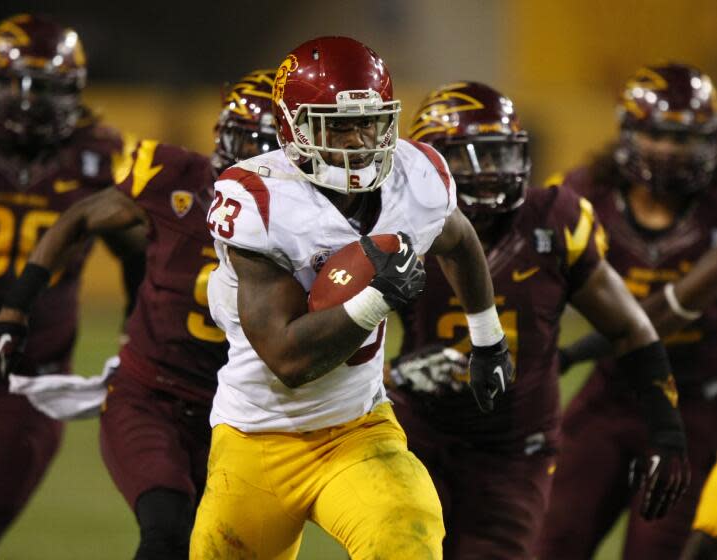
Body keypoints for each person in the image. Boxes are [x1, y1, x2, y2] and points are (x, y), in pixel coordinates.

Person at [188, 36, 514, 560]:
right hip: (257, 438)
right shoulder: (261, 198)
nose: (360, 139)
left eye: (371, 121)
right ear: (293, 126)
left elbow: (458, 238)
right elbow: (288, 359)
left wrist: (488, 338)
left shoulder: (414, 176)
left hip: (357, 429)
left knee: (408, 534)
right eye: (338, 124)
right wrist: (377, 298)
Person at [384, 81, 690, 559]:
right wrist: (395, 375)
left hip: (515, 450)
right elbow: (336, 341)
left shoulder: (552, 220)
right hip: (418, 436)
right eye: (470, 158)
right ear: (430, 163)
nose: (492, 173)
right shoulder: (397, 222)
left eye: (502, 154)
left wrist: (666, 429)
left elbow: (630, 328)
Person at [0, 69, 279, 559]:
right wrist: (16, 308)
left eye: (267, 145)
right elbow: (80, 216)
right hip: (151, 398)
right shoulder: (176, 179)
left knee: (224, 548)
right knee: (165, 530)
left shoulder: (311, 216)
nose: (253, 157)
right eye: (244, 141)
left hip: (240, 411)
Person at [0, 14, 142, 559]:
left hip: (12, 387)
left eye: (45, 89)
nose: (27, 102)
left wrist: (138, 336)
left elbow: (145, 255)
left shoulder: (100, 157)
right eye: (13, 84)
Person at [538, 62, 717, 559]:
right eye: (658, 133)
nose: (672, 149)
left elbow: (661, 320)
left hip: (695, 404)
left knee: (657, 551)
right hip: (611, 392)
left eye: (687, 137)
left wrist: (573, 351)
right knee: (549, 541)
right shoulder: (581, 194)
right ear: (629, 130)